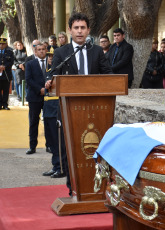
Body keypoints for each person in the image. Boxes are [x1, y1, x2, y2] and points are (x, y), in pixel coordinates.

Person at [46, 12, 112, 197]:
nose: (80, 31)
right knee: (70, 149)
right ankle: (73, 188)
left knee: (94, 148)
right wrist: (48, 81)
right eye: (76, 28)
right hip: (69, 110)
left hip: (95, 110)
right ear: (69, 30)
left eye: (83, 27)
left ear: (88, 30)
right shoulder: (61, 52)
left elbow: (109, 75)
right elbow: (53, 74)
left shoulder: (97, 51)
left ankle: (96, 188)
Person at [42, 46, 65, 178]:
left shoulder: (58, 73)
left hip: (56, 108)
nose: (51, 59)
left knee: (58, 142)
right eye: (49, 56)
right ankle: (55, 164)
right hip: (47, 109)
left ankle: (60, 167)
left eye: (53, 57)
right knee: (50, 141)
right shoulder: (48, 71)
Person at [25, 43, 47, 155]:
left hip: (49, 97)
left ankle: (49, 145)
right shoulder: (30, 64)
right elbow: (28, 79)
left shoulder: (51, 63)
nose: (41, 51)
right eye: (39, 50)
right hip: (34, 96)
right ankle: (32, 146)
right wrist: (40, 89)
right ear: (35, 52)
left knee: (48, 121)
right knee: (34, 121)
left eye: (43, 49)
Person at [0, 38, 14, 110]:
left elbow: (11, 62)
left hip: (6, 74)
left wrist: (5, 66)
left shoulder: (10, 52)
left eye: (3, 44)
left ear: (6, 44)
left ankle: (5, 104)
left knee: (6, 90)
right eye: (0, 44)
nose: (1, 45)